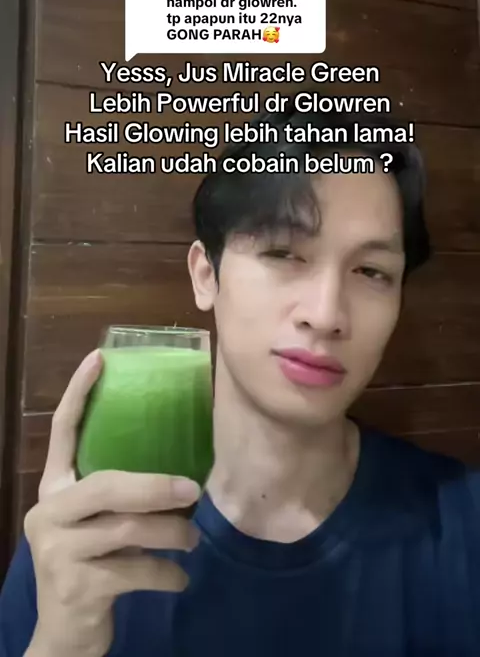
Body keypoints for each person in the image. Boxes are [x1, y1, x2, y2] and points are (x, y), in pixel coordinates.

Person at [0, 94, 479, 656]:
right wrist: (65, 638)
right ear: (207, 275)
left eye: (372, 271)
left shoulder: (464, 527)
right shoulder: (87, 531)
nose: (326, 314)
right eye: (283, 253)